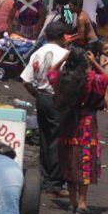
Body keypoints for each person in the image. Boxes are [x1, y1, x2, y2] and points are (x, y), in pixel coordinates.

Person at [50, 46, 108, 214]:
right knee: (85, 160)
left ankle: (73, 201)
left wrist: (63, 59)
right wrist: (94, 62)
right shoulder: (91, 79)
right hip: (86, 124)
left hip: (68, 123)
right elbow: (107, 78)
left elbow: (51, 73)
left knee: (69, 160)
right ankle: (82, 203)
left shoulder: (63, 79)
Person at [21, 20, 70, 196]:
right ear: (62, 36)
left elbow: (26, 81)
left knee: (44, 138)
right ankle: (55, 183)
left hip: (42, 97)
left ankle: (47, 178)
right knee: (57, 139)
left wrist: (38, 95)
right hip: (56, 98)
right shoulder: (65, 54)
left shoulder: (38, 53)